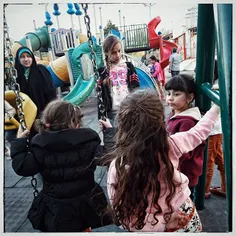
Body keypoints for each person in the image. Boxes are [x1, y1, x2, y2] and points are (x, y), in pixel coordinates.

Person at [99, 89, 220, 232]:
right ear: (161, 122)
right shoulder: (171, 145)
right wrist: (216, 107)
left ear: (123, 127)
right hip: (182, 215)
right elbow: (199, 132)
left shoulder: (118, 166)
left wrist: (161, 224)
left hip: (146, 222)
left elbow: (121, 215)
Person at [10, 100, 112, 232]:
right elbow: (109, 156)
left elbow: (22, 166)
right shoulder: (88, 140)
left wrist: (19, 143)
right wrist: (109, 132)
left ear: (47, 123)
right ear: (76, 124)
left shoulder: (40, 144)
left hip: (56, 206)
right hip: (87, 202)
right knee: (85, 224)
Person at [165, 74, 206, 202]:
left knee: (185, 200)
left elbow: (185, 152)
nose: (170, 98)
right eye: (169, 93)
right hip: (176, 170)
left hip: (184, 173)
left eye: (176, 94)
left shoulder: (187, 122)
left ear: (189, 97)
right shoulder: (175, 113)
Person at [98, 35, 140, 121]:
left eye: (119, 51)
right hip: (113, 112)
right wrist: (101, 117)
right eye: (113, 52)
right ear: (106, 53)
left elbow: (136, 88)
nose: (117, 55)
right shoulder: (103, 72)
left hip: (129, 108)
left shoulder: (128, 67)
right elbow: (100, 96)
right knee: (115, 133)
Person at [15, 46, 56, 117]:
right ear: (18, 59)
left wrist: (50, 110)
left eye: (28, 56)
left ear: (32, 58)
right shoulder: (17, 74)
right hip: (26, 113)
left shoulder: (41, 70)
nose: (26, 59)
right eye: (22, 57)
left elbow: (50, 91)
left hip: (43, 110)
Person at [205, 60, 226, 199]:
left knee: (209, 161)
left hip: (212, 129)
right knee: (219, 158)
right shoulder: (219, 86)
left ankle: (205, 190)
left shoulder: (212, 87)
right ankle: (225, 186)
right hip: (217, 129)